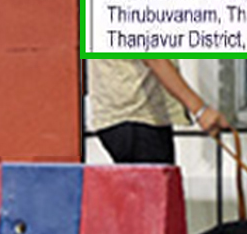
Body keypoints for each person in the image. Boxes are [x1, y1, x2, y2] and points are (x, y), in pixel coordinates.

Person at [89, 59, 226, 164]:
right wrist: (200, 110)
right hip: (137, 116)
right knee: (155, 196)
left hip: (125, 115)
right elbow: (155, 58)